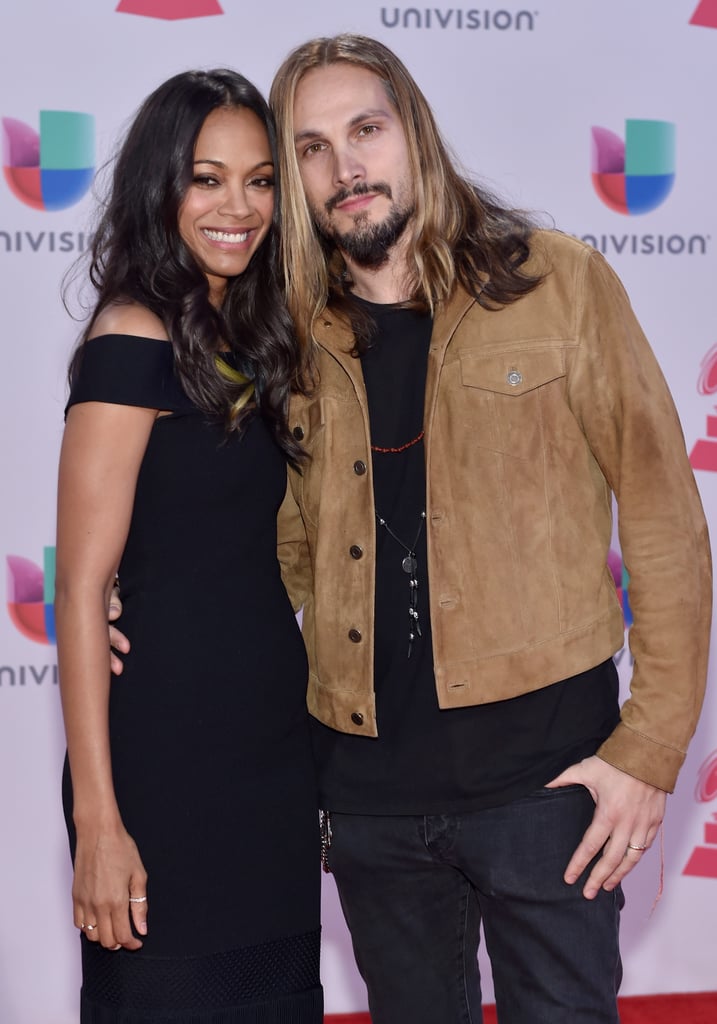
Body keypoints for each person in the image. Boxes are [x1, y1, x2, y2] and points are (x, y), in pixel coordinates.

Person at [108, 35, 711, 1024]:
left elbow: (665, 523)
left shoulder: (559, 283)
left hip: (546, 785)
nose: (344, 166)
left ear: (414, 135)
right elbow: (276, 547)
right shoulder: (290, 336)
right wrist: (145, 594)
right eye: (309, 147)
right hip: (369, 807)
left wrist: (648, 752)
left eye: (364, 130)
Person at [55, 69, 322, 1024]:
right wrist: (97, 819)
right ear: (159, 185)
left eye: (259, 181)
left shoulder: (252, 335)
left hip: (270, 762)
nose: (237, 207)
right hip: (164, 764)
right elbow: (81, 592)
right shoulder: (130, 338)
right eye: (207, 179)